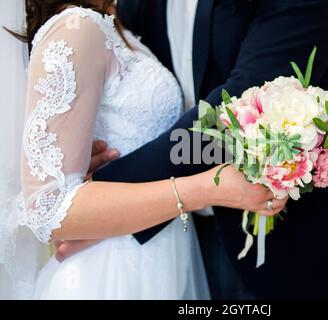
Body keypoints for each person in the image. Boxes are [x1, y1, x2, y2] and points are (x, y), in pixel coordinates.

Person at [60, 0, 328, 299]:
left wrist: (103, 198)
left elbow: (235, 108)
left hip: (289, 247)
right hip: (176, 242)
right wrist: (94, 141)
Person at [0, 1, 287, 299]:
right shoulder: (76, 29)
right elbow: (48, 209)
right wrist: (206, 188)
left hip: (160, 250)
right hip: (108, 270)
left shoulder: (112, 21)